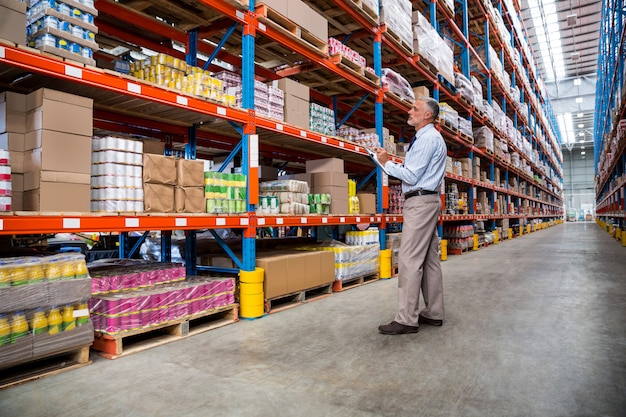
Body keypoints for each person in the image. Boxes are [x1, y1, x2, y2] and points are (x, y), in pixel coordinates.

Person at [375, 97, 447, 335]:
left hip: (420, 202)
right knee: (429, 260)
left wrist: (385, 163)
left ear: (427, 115)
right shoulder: (429, 137)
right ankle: (434, 312)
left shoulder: (427, 138)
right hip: (427, 200)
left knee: (408, 259)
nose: (410, 111)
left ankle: (406, 318)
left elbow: (412, 176)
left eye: (415, 109)